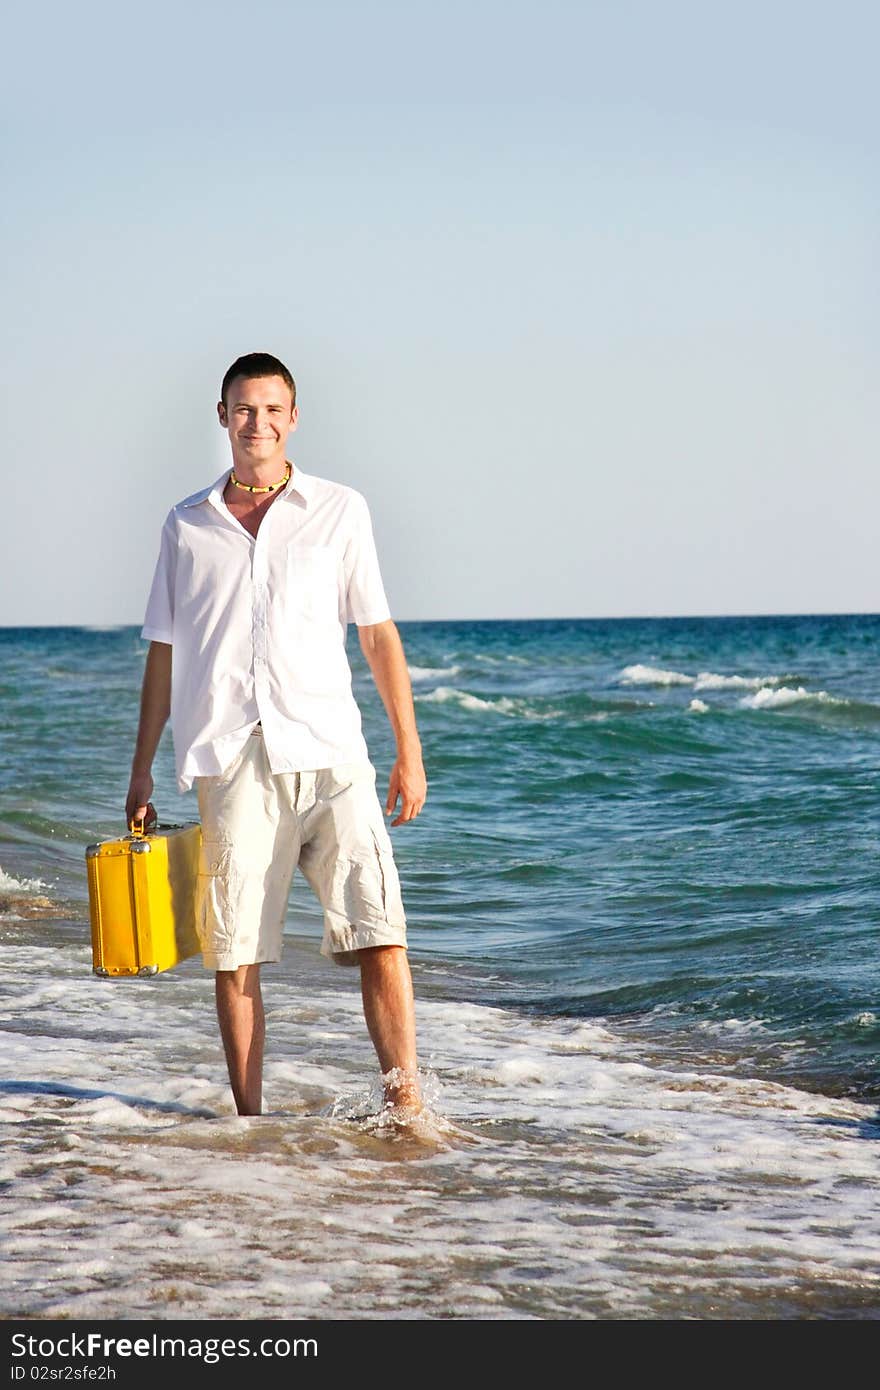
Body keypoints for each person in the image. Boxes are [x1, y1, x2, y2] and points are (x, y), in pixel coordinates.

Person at [124, 351, 427, 1119]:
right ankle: (251, 1125)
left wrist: (408, 751)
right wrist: (142, 771)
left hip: (331, 753)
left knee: (380, 932)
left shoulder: (339, 510)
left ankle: (406, 1107)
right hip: (232, 759)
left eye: (271, 409)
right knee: (235, 956)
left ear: (293, 418)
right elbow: (164, 653)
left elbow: (378, 634)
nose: (257, 422)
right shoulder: (186, 526)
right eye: (243, 409)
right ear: (222, 417)